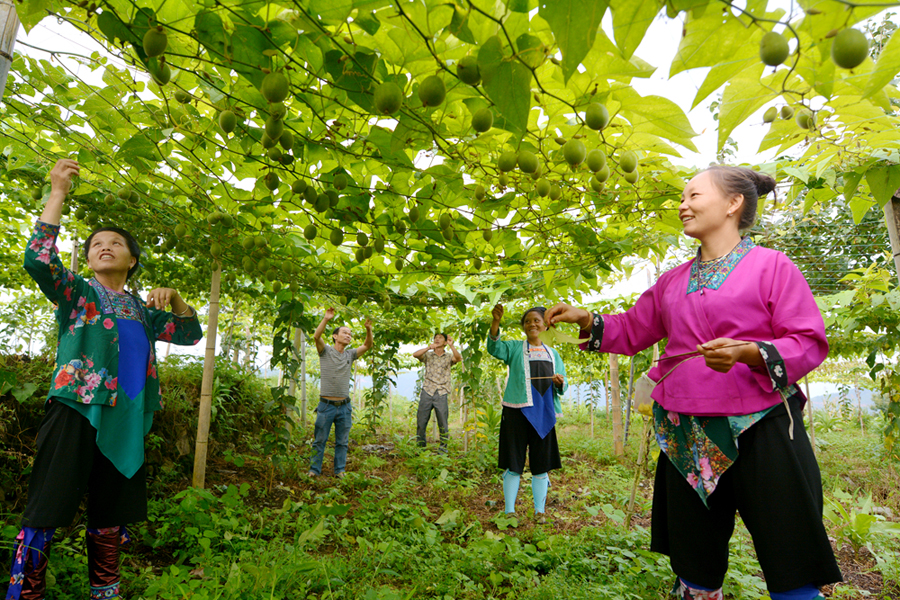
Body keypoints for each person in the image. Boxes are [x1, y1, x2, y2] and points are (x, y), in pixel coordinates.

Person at [546, 166, 841, 600]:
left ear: (732, 204)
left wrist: (747, 352)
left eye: (693, 195)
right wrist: (588, 319)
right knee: (695, 560)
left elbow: (807, 341)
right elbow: (632, 330)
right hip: (686, 432)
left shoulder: (772, 267)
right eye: (681, 198)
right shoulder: (672, 280)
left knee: (790, 552)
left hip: (762, 426)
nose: (682, 206)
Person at [7, 159, 203, 600]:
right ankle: (25, 594)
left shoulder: (144, 312)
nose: (105, 246)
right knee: (47, 504)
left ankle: (106, 592)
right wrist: (57, 192)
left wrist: (176, 297)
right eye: (97, 243)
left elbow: (190, 333)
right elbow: (38, 261)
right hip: (75, 408)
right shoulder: (78, 294)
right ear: (90, 257)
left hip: (126, 420)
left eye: (116, 243)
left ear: (133, 260)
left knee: (111, 513)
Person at [487, 304, 566, 522]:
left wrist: (560, 382)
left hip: (544, 414)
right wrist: (495, 322)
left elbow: (564, 383)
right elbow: (494, 349)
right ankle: (509, 511)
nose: (532, 324)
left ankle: (540, 512)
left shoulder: (553, 354)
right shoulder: (513, 348)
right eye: (527, 321)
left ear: (545, 324)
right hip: (516, 412)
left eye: (536, 320)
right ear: (523, 327)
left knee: (541, 464)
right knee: (514, 463)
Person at [308, 308, 373, 478]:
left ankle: (340, 471)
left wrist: (368, 329)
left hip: (344, 406)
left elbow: (367, 345)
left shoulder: (350, 355)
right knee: (319, 440)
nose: (348, 335)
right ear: (335, 336)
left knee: (342, 442)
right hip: (326, 405)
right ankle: (314, 470)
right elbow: (316, 336)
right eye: (345, 332)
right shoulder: (326, 351)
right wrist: (326, 319)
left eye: (350, 334)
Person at [412, 333, 462, 451]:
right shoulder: (428, 355)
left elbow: (458, 358)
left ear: (445, 342)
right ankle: (421, 448)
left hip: (441, 392)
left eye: (440, 338)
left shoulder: (448, 356)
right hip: (427, 390)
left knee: (443, 423)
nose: (437, 339)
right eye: (436, 338)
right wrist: (429, 347)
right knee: (421, 421)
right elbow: (415, 355)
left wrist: (451, 346)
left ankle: (443, 449)